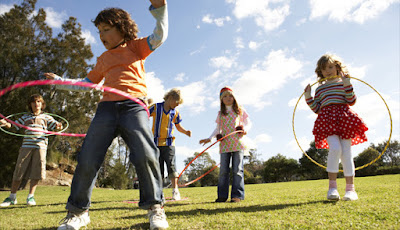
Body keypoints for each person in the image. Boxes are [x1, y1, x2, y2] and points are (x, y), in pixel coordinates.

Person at [44, 0, 169, 229]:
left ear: (121, 27)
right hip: (107, 109)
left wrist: (160, 10)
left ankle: (155, 208)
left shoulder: (135, 47)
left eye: (106, 29)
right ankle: (78, 212)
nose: (101, 35)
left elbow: (159, 36)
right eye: (99, 31)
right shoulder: (103, 59)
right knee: (88, 157)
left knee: (145, 154)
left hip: (133, 106)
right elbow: (86, 84)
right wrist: (60, 82)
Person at [304, 53, 368, 201]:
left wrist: (347, 84)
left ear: (337, 67)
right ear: (320, 72)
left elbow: (351, 100)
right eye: (324, 69)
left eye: (330, 67)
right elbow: (317, 108)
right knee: (335, 148)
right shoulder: (320, 89)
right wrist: (308, 96)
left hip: (345, 119)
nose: (327, 71)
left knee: (346, 153)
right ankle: (332, 188)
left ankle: (350, 190)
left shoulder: (343, 83)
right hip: (327, 120)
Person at [0, 94, 62, 207]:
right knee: (19, 169)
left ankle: (30, 196)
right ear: (30, 104)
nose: (36, 104)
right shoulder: (25, 117)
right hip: (26, 147)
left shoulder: (46, 117)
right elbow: (13, 125)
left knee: (36, 171)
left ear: (42, 104)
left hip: (41, 147)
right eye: (34, 102)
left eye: (38, 101)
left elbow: (56, 126)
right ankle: (12, 197)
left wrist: (59, 125)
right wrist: (5, 123)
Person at [199, 87, 250, 203]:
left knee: (237, 170)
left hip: (237, 142)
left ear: (234, 97)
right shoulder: (221, 113)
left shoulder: (240, 110)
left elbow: (248, 123)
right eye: (225, 96)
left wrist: (244, 129)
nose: (228, 98)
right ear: (221, 100)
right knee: (223, 171)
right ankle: (222, 195)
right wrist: (210, 138)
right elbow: (218, 128)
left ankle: (237, 195)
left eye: (230, 96)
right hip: (225, 144)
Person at [149, 88, 191, 200]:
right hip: (155, 143)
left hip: (169, 143)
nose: (177, 106)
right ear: (170, 98)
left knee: (171, 166)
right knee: (158, 168)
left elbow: (178, 126)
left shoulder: (175, 112)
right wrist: (146, 103)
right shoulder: (155, 107)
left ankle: (175, 190)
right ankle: (158, 192)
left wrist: (185, 131)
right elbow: (144, 114)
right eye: (176, 103)